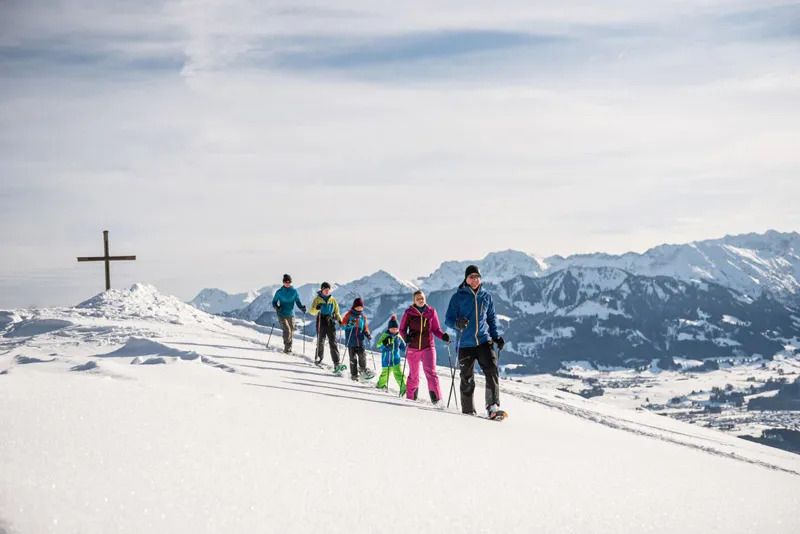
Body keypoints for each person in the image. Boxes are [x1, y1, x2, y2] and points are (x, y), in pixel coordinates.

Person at [445, 265, 506, 420]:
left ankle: (492, 407)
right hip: (465, 344)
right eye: (471, 277)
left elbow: (491, 319)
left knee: (492, 371)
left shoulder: (486, 296)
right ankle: (468, 411)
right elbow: (448, 319)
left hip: (484, 342)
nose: (474, 279)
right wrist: (457, 324)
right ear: (466, 279)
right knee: (467, 377)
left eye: (477, 276)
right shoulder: (458, 297)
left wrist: (496, 337)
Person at [399, 290, 449, 405]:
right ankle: (410, 399)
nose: (420, 300)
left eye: (422, 298)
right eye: (418, 299)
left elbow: (436, 329)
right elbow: (402, 329)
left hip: (428, 347)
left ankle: (437, 400)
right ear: (414, 301)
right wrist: (406, 338)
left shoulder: (431, 311)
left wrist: (443, 336)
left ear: (425, 298)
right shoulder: (409, 312)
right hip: (413, 348)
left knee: (431, 374)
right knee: (414, 375)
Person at [308, 282, 344, 372]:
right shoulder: (317, 299)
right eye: (325, 290)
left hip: (330, 321)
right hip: (321, 320)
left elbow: (337, 312)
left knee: (333, 342)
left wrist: (340, 320)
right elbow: (311, 311)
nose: (327, 291)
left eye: (328, 290)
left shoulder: (333, 300)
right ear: (322, 290)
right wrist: (316, 308)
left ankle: (337, 362)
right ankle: (319, 358)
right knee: (321, 341)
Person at [271, 274, 306, 354]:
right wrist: (276, 307)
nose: (287, 283)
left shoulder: (294, 292)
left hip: (291, 314)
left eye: (289, 282)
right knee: (287, 331)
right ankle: (287, 349)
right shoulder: (279, 292)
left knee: (291, 331)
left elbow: (297, 301)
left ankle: (289, 347)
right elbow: (274, 302)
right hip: (281, 313)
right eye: (286, 282)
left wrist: (301, 307)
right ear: (283, 282)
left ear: (290, 282)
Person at [341, 297, 374, 380]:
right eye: (358, 306)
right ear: (354, 306)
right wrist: (350, 324)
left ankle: (363, 370)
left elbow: (365, 327)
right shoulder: (349, 314)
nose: (359, 308)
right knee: (353, 359)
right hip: (351, 340)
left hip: (360, 340)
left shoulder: (363, 316)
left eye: (361, 307)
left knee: (362, 355)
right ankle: (354, 375)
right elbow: (343, 326)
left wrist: (367, 333)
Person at [374, 315, 406, 395]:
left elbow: (403, 346)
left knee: (398, 373)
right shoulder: (385, 336)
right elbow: (378, 345)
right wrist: (384, 344)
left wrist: (406, 346)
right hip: (386, 359)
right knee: (385, 374)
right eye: (392, 328)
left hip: (396, 359)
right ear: (389, 328)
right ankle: (380, 385)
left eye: (396, 329)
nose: (394, 330)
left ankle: (404, 388)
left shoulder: (398, 337)